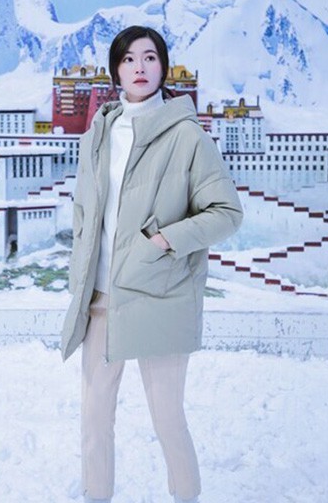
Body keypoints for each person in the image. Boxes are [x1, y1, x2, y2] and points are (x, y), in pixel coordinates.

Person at [61, 25, 243, 503]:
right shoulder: (99, 132)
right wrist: (80, 269)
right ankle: (95, 496)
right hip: (102, 298)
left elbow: (226, 213)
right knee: (94, 417)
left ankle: (186, 496)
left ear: (163, 67)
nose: (138, 67)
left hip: (161, 294)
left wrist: (164, 241)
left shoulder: (187, 136)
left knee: (167, 418)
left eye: (149, 57)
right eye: (128, 59)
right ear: (115, 71)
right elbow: (85, 210)